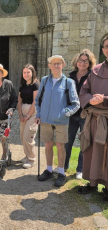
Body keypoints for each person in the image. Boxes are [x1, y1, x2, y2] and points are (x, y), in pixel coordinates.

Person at [35, 55, 80, 187]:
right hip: (45, 120)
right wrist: (39, 114)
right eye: (53, 64)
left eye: (58, 64)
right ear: (49, 66)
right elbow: (37, 100)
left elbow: (76, 104)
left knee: (60, 147)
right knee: (48, 145)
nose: (56, 66)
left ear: (63, 65)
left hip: (61, 121)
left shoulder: (68, 82)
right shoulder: (44, 81)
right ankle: (49, 169)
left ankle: (61, 173)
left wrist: (65, 113)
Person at [55, 50, 96, 179]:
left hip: (85, 114)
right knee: (67, 141)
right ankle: (64, 166)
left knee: (84, 142)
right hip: (71, 115)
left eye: (85, 61)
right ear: (76, 62)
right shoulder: (70, 76)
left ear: (89, 63)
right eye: (80, 60)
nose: (82, 63)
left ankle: (80, 169)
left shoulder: (92, 76)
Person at [78, 36, 108, 199]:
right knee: (92, 151)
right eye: (106, 46)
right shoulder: (95, 71)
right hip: (94, 119)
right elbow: (84, 91)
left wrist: (103, 99)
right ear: (103, 50)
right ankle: (92, 183)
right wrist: (90, 99)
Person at [17, 64, 39, 169]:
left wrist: (28, 115)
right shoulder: (23, 85)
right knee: (22, 136)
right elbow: (19, 100)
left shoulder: (36, 85)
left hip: (33, 113)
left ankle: (31, 159)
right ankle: (26, 156)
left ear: (32, 73)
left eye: (28, 72)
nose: (26, 74)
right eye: (24, 72)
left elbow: (35, 102)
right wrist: (20, 114)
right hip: (23, 112)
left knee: (28, 136)